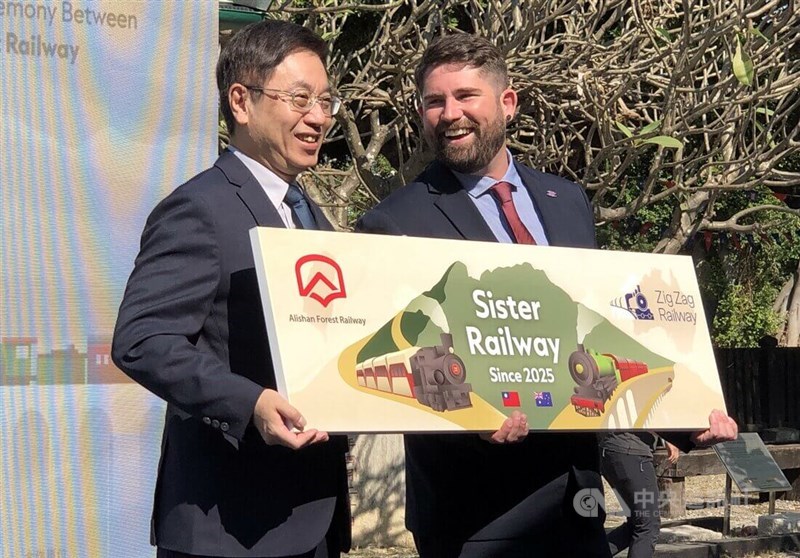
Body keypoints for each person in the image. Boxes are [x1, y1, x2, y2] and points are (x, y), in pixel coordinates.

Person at [356, 33, 738, 558]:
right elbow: (399, 358)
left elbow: (600, 332)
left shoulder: (567, 201)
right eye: (434, 101)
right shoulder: (394, 221)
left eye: (466, 96)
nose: (449, 113)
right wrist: (469, 418)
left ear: (507, 103)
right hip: (473, 512)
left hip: (576, 500)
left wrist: (687, 417)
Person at [112, 20, 350, 558]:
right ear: (241, 102)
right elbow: (143, 339)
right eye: (300, 98)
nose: (318, 117)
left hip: (314, 515)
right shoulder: (199, 208)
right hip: (228, 526)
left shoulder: (310, 215)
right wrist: (252, 403)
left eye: (326, 100)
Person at [600, 433, 680, 557]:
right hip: (630, 450)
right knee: (648, 525)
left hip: (610, 448)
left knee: (637, 523)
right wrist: (669, 436)